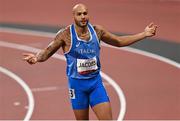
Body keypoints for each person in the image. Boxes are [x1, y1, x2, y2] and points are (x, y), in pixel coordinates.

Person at [23, 3, 157, 120]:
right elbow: (47, 52)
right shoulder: (65, 35)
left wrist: (143, 34)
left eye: (85, 13)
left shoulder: (97, 31)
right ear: (73, 16)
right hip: (77, 86)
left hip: (95, 84)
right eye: (79, 14)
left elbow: (119, 41)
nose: (83, 17)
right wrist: (36, 58)